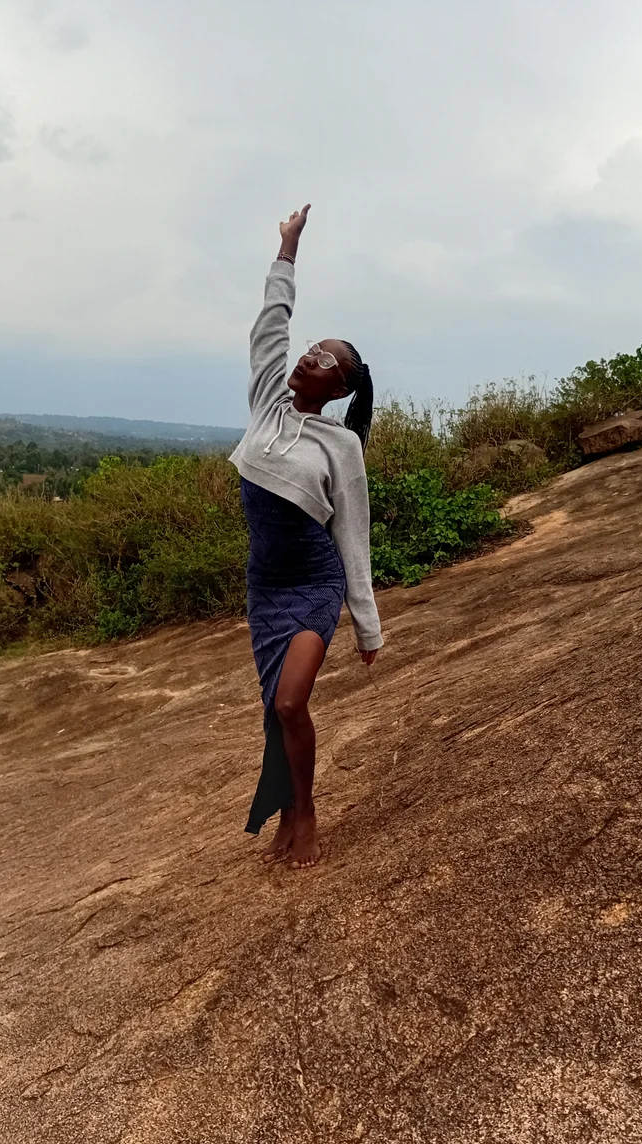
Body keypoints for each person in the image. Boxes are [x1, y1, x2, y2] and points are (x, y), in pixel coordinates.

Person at [230, 204, 383, 870]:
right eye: (311, 348)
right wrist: (287, 251)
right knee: (277, 707)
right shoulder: (267, 402)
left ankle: (309, 813)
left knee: (292, 700)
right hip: (266, 587)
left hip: (314, 584)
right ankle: (287, 812)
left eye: (323, 359)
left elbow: (352, 532)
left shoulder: (340, 445)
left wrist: (366, 624)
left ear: (339, 386)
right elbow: (270, 325)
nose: (307, 357)